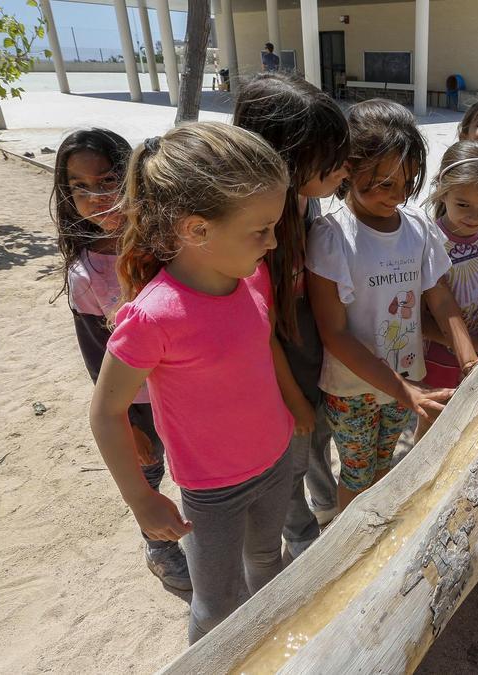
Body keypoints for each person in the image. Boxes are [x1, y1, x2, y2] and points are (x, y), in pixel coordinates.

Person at [89, 122, 295, 644]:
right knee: (216, 602)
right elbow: (105, 412)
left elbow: (258, 356)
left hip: (275, 461)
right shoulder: (153, 317)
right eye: (261, 229)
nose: (273, 242)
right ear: (198, 230)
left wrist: (292, 415)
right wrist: (141, 499)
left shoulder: (249, 279)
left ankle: (266, 650)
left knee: (268, 563)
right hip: (213, 491)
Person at [306, 99, 478, 510]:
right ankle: (348, 545)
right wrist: (406, 393)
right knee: (357, 473)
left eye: (408, 181)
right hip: (354, 390)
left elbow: (439, 296)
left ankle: (374, 532)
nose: (397, 194)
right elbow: (335, 333)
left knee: (385, 467)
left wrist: (469, 359)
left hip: (409, 377)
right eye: (383, 182)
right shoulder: (331, 238)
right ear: (349, 167)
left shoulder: (417, 226)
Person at [50, 128, 191, 592]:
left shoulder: (167, 245)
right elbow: (99, 362)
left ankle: (204, 536)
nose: (96, 198)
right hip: (140, 405)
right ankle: (159, 546)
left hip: (187, 390)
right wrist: (128, 421)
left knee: (195, 472)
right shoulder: (85, 275)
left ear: (134, 178)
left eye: (108, 181)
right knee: (146, 475)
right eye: (80, 188)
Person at [232, 72, 351, 557]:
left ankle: (326, 511)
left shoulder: (303, 200)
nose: (342, 168)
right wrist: (293, 399)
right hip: (274, 375)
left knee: (318, 442)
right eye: (328, 159)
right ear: (285, 157)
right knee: (289, 464)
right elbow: (256, 334)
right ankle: (301, 542)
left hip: (307, 355)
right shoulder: (252, 228)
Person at [422, 140, 478, 390]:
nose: (475, 215)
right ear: (443, 189)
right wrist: (472, 341)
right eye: (463, 204)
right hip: (435, 359)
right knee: (433, 422)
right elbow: (420, 320)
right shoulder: (427, 243)